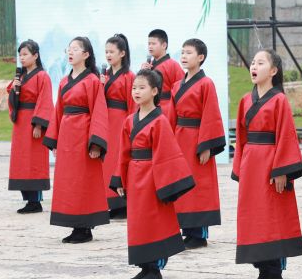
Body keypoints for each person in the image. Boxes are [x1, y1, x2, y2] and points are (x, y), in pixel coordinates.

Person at [111, 69, 195, 279]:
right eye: (134, 88)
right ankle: (145, 267)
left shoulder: (160, 121)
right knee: (138, 222)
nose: (136, 92)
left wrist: (164, 184)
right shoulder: (129, 121)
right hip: (134, 176)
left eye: (142, 87)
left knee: (154, 221)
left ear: (155, 91)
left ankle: (155, 269)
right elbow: (123, 152)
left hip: (152, 178)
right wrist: (120, 178)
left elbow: (166, 153)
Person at [232, 49, 302, 279]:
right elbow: (241, 137)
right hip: (251, 165)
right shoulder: (245, 100)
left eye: (260, 63)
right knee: (253, 216)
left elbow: (286, 134)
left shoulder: (279, 99)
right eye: (253, 62)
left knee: (271, 216)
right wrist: (240, 167)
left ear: (273, 71)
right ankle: (262, 267)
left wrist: (281, 170)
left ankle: (273, 270)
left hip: (271, 164)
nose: (254, 66)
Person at [43, 36, 109, 243]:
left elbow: (99, 111)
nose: (70, 52)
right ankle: (75, 225)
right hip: (66, 137)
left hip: (84, 135)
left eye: (75, 49)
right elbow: (58, 111)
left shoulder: (92, 81)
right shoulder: (64, 81)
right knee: (69, 181)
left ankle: (85, 227)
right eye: (68, 49)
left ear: (86, 54)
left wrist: (96, 143)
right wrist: (54, 140)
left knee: (83, 180)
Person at [169, 39, 225, 249]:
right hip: (180, 138)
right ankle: (186, 230)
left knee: (199, 185)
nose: (184, 56)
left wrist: (206, 146)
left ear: (200, 57)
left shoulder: (206, 83)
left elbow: (211, 114)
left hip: (197, 140)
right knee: (182, 184)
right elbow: (171, 116)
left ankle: (199, 234)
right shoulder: (177, 85)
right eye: (182, 52)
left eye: (189, 53)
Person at [7, 39, 54, 214]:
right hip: (21, 123)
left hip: (33, 123)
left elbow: (45, 101)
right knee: (21, 160)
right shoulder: (20, 77)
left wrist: (39, 125)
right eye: (20, 55)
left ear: (35, 56)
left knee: (33, 160)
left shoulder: (42, 76)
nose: (22, 58)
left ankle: (35, 201)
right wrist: (14, 90)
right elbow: (12, 97)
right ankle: (28, 199)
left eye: (25, 54)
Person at [101, 34, 136, 219]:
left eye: (112, 52)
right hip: (105, 123)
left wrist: (132, 127)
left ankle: (122, 203)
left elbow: (133, 104)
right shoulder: (104, 76)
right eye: (106, 51)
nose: (108, 55)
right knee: (107, 161)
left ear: (122, 53)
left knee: (119, 159)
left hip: (121, 122)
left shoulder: (130, 76)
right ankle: (109, 201)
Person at [141, 29, 184, 113]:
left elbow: (181, 90)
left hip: (166, 109)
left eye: (153, 44)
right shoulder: (147, 66)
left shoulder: (173, 65)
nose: (150, 46)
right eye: (149, 44)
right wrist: (142, 73)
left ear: (164, 45)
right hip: (149, 108)